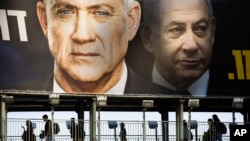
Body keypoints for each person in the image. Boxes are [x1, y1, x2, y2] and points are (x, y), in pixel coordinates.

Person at [35, 0, 173, 95]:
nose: (83, 36)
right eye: (66, 12)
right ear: (44, 20)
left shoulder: (174, 103)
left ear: (131, 21)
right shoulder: (17, 102)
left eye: (101, 13)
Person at [139, 0, 216, 96]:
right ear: (148, 38)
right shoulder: (126, 88)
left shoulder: (237, 90)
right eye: (176, 30)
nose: (191, 46)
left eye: (200, 28)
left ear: (212, 32)